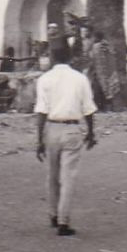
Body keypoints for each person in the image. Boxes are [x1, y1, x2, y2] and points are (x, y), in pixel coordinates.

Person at [33, 41, 99, 237]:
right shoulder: (80, 79)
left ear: (52, 58)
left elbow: (41, 110)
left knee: (52, 175)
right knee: (68, 176)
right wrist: (91, 132)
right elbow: (88, 108)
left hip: (51, 128)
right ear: (70, 57)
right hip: (71, 129)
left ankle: (53, 214)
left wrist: (39, 139)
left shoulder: (44, 79)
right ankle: (64, 221)